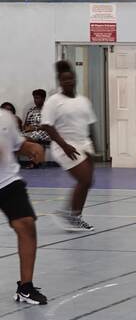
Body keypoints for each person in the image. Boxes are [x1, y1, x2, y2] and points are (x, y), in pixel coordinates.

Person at [39, 60, 97, 232]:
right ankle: (73, 216)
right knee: (85, 179)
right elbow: (47, 126)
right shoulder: (54, 101)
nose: (68, 82)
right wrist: (64, 146)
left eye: (71, 79)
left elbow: (90, 123)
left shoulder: (83, 100)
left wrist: (94, 145)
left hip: (84, 143)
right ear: (60, 82)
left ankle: (70, 214)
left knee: (87, 181)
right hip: (64, 145)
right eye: (64, 80)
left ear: (75, 79)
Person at [1, 106, 48, 305]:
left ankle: (25, 288)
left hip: (7, 180)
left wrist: (31, 147)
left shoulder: (4, 118)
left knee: (27, 225)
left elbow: (15, 144)